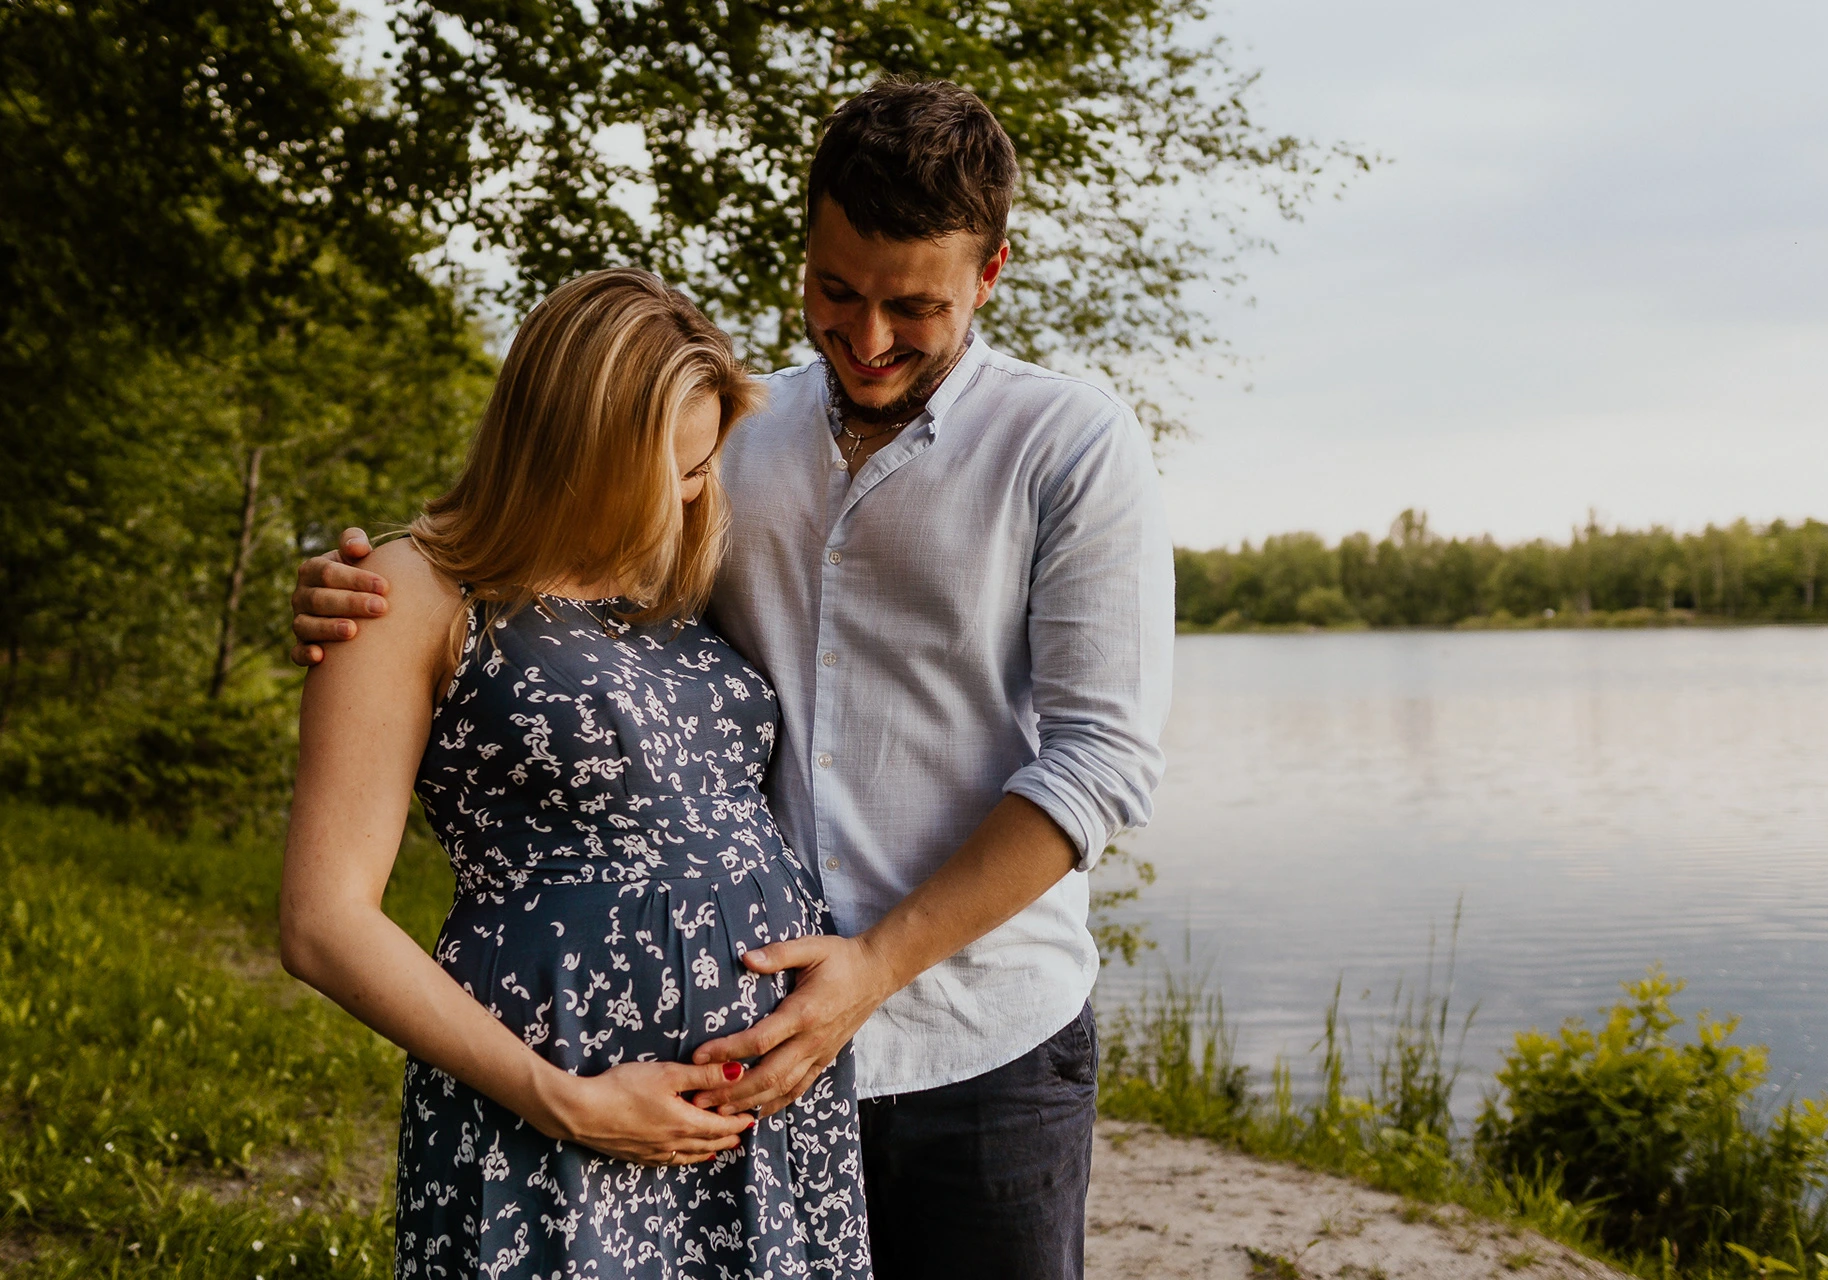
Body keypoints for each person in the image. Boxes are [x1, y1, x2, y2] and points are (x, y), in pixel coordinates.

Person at [293, 78, 1175, 1280]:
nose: (868, 337)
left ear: (990, 274)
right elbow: (542, 578)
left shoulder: (1068, 445)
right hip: (735, 1073)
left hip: (978, 1038)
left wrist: (873, 966)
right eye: (835, 290)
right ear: (805, 249)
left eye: (914, 306)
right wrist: (361, 590)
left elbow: (1100, 761)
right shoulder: (732, 433)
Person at [279, 269, 870, 1280]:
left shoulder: (668, 580)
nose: (685, 499)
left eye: (699, 469)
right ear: (565, 449)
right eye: (657, 476)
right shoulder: (414, 591)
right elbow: (320, 922)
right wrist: (566, 1101)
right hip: (554, 1097)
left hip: (760, 1114)